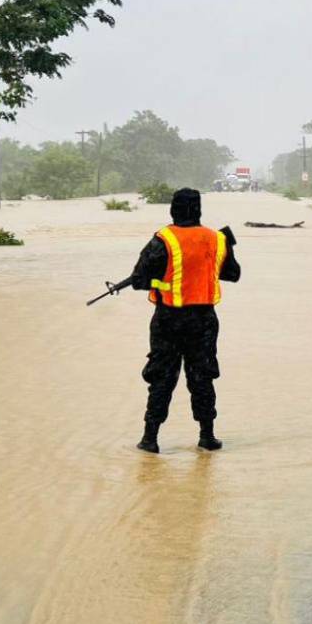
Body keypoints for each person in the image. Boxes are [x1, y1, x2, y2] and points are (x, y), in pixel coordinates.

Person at [130, 188, 240, 454]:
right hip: (203, 320)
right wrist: (224, 252)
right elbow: (233, 274)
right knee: (202, 377)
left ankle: (150, 439)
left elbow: (138, 281)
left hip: (168, 320)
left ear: (173, 209)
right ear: (199, 209)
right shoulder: (218, 239)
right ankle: (207, 437)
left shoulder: (162, 239)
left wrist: (160, 283)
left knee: (161, 378)